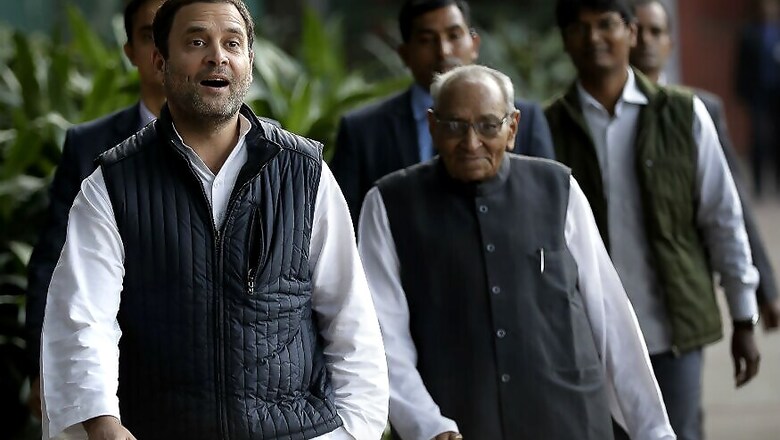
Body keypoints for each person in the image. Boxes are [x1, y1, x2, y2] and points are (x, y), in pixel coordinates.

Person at [39, 1, 388, 439]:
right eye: (197, 42)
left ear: (250, 61)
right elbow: (82, 320)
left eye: (232, 43)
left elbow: (350, 321)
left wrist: (351, 433)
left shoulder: (305, 173)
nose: (217, 56)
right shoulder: (112, 184)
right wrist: (103, 423)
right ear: (159, 61)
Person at [359, 64, 675, 440]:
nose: (471, 142)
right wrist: (427, 424)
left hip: (570, 420)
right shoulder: (390, 204)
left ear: (512, 128)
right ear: (432, 125)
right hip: (459, 426)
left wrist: (653, 429)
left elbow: (610, 317)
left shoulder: (558, 189)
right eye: (455, 126)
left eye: (488, 125)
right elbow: (384, 337)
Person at [545, 1, 761, 439]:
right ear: (565, 39)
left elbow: (722, 217)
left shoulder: (682, 113)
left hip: (672, 329)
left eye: (606, 24)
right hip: (589, 336)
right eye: (579, 28)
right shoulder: (547, 127)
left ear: (631, 31)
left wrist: (744, 316)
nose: (593, 38)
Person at [24, 0, 167, 418]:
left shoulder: (246, 143)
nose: (163, 49)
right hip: (106, 368)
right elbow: (53, 261)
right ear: (130, 52)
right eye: (149, 35)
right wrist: (43, 365)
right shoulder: (88, 146)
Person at [331, 0, 555, 225]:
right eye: (426, 40)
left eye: (454, 35)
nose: (443, 51)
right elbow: (343, 225)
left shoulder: (525, 119)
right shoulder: (362, 131)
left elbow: (547, 204)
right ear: (405, 54)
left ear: (474, 44)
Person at [630, 0, 780, 329]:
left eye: (656, 32)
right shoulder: (598, 118)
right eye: (638, 31)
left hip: (684, 295)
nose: (645, 41)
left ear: (670, 42)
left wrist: (765, 290)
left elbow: (732, 204)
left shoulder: (698, 111)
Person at [736, 0, 780, 196]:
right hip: (757, 94)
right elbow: (741, 66)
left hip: (777, 94)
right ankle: (759, 184)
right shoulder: (749, 34)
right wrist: (741, 92)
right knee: (758, 138)